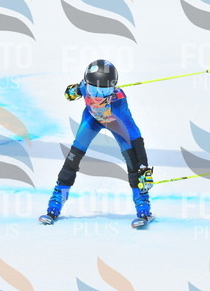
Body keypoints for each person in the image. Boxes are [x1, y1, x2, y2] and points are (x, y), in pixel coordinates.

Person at [39, 60, 154, 228]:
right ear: (87, 84)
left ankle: (143, 207)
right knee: (73, 158)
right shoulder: (84, 86)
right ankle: (55, 204)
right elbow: (71, 92)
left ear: (113, 88)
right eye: (93, 90)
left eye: (104, 91)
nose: (98, 96)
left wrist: (143, 167)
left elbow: (136, 138)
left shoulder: (119, 102)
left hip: (116, 124)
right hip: (92, 120)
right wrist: (71, 92)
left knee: (133, 163)